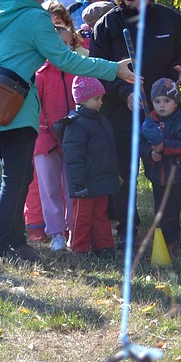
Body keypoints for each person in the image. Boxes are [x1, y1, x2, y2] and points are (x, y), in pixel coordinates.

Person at [0, 0, 134, 266]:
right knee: (15, 178)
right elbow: (65, 60)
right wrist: (113, 69)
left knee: (20, 176)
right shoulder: (34, 17)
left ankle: (17, 242)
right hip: (15, 109)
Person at [90, 0, 181, 239]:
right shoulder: (108, 24)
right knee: (123, 175)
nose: (139, 3)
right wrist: (123, 92)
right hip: (121, 113)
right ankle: (126, 231)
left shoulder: (169, 19)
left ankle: (169, 233)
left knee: (165, 172)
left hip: (164, 115)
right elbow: (97, 70)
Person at [25, 5, 85, 252]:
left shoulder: (79, 71)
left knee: (73, 188)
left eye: (69, 44)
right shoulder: (39, 74)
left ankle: (74, 230)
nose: (65, 48)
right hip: (45, 141)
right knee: (49, 189)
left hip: (73, 140)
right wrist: (45, 137)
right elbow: (35, 110)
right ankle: (56, 232)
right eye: (60, 44)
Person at [141, 79, 181, 247]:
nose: (161, 105)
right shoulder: (149, 123)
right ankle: (170, 241)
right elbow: (141, 144)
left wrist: (163, 147)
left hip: (180, 175)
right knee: (164, 211)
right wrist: (150, 154)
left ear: (175, 102)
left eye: (167, 101)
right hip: (159, 177)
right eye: (157, 101)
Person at [59, 76, 118, 255]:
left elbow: (109, 151)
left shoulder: (101, 120)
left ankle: (104, 246)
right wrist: (78, 184)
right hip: (84, 183)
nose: (101, 102)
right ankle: (79, 248)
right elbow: (73, 159)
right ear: (83, 100)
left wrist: (114, 174)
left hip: (101, 180)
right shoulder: (75, 124)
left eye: (101, 98)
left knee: (101, 214)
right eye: (96, 98)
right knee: (82, 217)